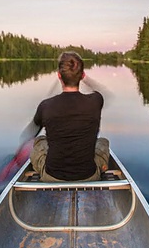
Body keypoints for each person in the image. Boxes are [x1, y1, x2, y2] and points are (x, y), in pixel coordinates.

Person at [29, 51, 110, 182]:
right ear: (83, 75)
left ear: (59, 76)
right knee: (103, 142)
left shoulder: (45, 106)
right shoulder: (96, 100)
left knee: (39, 141)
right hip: (89, 176)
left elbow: (32, 132)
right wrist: (82, 77)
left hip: (51, 176)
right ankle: (102, 168)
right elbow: (98, 91)